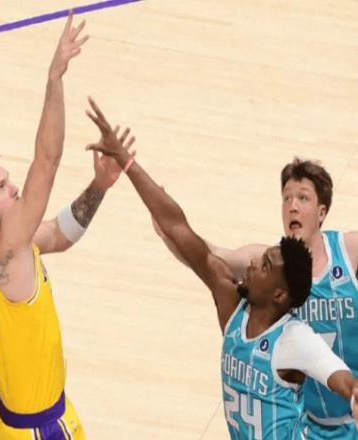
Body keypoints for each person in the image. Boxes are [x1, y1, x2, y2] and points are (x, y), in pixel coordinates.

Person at [83, 97, 358, 439]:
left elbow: (340, 377)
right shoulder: (230, 304)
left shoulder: (294, 338)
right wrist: (127, 162)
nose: (253, 264)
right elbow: (180, 228)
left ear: (279, 294)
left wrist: (353, 392)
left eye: (264, 265)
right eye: (287, 197)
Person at [0, 16, 134, 440]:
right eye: (1, 188)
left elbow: (58, 235)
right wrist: (55, 78)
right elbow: (47, 161)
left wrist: (100, 186)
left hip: (21, 417)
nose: (15, 188)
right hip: (40, 428)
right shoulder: (6, 248)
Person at [153, 158, 358, 438]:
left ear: (321, 212)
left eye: (302, 198)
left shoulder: (347, 251)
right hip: (305, 422)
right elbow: (210, 258)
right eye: (286, 198)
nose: (293, 206)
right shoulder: (269, 267)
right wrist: (170, 233)